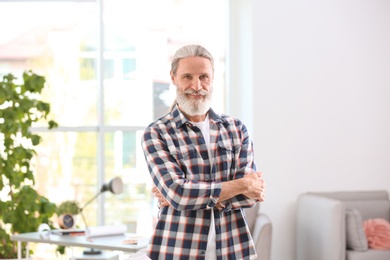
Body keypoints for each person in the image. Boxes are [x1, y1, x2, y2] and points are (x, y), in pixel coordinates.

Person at [141, 44, 266, 260]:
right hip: (177, 251)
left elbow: (250, 198)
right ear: (173, 78)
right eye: (187, 76)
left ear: (212, 78)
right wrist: (242, 185)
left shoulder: (236, 129)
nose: (196, 85)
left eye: (204, 77)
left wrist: (185, 196)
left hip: (233, 251)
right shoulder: (156, 133)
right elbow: (180, 194)